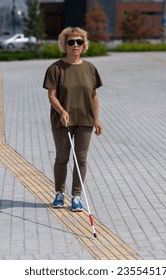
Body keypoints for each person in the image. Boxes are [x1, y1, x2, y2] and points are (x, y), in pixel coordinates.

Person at [43, 27, 103, 212]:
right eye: (71, 42)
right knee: (62, 158)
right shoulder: (55, 68)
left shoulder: (90, 68)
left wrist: (97, 119)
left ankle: (76, 196)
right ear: (64, 45)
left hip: (85, 119)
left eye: (79, 42)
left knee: (81, 159)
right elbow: (51, 95)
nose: (75, 45)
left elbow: (94, 96)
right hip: (63, 120)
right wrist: (61, 111)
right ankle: (59, 193)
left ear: (84, 45)